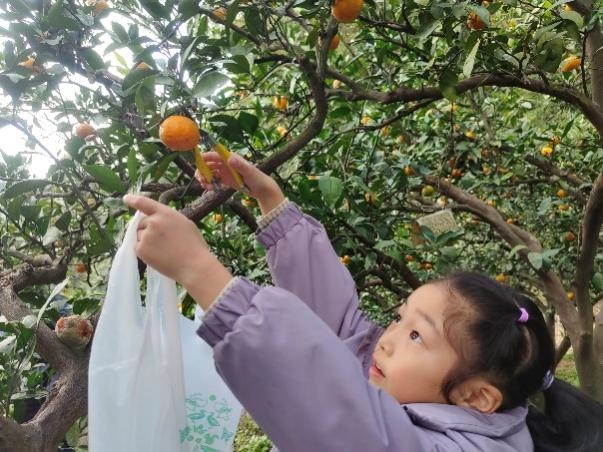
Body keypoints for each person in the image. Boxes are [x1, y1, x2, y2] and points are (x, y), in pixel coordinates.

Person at [123, 153, 603, 452]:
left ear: (476, 397)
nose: (389, 340)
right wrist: (273, 205)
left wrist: (202, 274)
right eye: (400, 318)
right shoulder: (428, 394)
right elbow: (346, 331)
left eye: (417, 334)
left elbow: (344, 424)